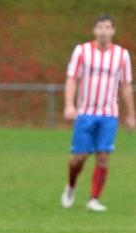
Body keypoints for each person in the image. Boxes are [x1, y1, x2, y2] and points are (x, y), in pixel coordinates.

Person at [61, 14, 135, 212]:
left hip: (109, 114)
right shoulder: (82, 51)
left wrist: (131, 114)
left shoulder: (122, 55)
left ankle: (94, 198)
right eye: (100, 27)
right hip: (85, 113)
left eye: (107, 27)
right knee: (80, 157)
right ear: (94, 30)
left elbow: (126, 85)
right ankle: (71, 185)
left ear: (113, 30)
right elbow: (72, 78)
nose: (103, 31)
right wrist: (69, 104)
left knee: (103, 156)